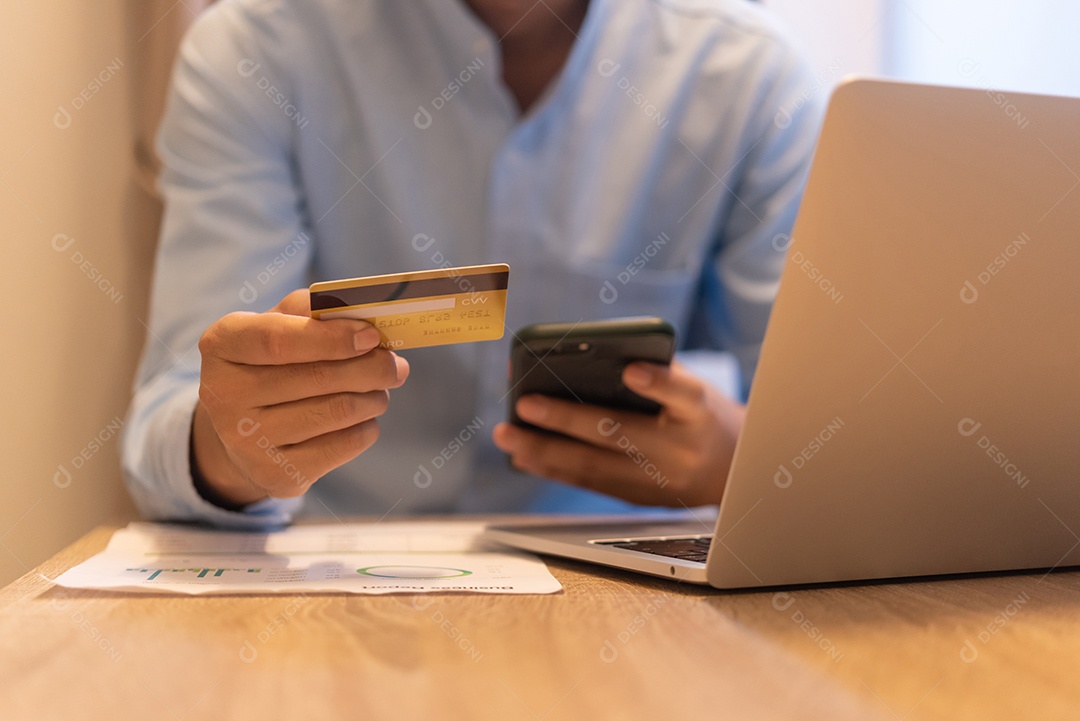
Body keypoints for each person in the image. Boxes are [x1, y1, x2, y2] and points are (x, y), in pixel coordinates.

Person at [122, 0, 823, 529]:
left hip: (628, 589)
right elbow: (168, 421)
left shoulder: (751, 79)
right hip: (333, 586)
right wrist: (233, 447)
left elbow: (833, 439)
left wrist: (745, 464)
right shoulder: (253, 49)